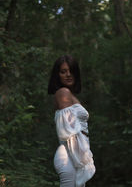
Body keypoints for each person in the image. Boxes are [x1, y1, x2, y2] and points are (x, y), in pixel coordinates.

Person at [48, 55, 95, 187]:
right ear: (57, 75)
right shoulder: (63, 93)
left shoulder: (70, 95)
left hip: (72, 154)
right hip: (69, 156)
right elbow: (68, 132)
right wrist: (81, 160)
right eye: (63, 71)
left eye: (71, 71)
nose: (68, 75)